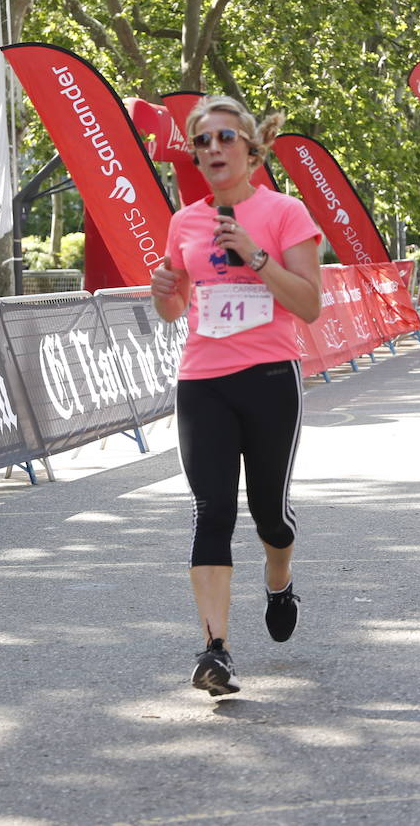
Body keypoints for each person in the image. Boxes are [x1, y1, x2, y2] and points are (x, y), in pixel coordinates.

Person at [150, 95, 322, 697]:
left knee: (269, 514)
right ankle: (215, 651)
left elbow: (308, 305)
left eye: (226, 138)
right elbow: (175, 307)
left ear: (250, 149)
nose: (214, 149)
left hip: (271, 378)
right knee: (212, 510)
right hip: (202, 380)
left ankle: (279, 577)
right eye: (203, 141)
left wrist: (255, 255)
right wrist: (163, 290)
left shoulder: (286, 213)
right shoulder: (184, 222)